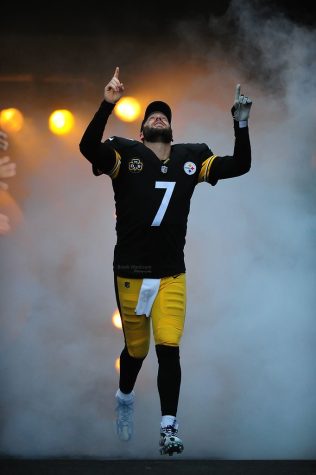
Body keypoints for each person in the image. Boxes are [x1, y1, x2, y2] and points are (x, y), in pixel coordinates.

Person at [79, 67, 252, 456]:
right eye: (152, 115)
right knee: (136, 352)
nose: (159, 116)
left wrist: (241, 125)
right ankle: (125, 397)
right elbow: (88, 147)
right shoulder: (125, 153)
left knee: (169, 347)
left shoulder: (191, 158)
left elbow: (240, 165)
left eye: (165, 115)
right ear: (141, 131)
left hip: (172, 273)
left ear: (171, 130)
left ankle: (168, 427)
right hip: (131, 272)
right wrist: (107, 105)